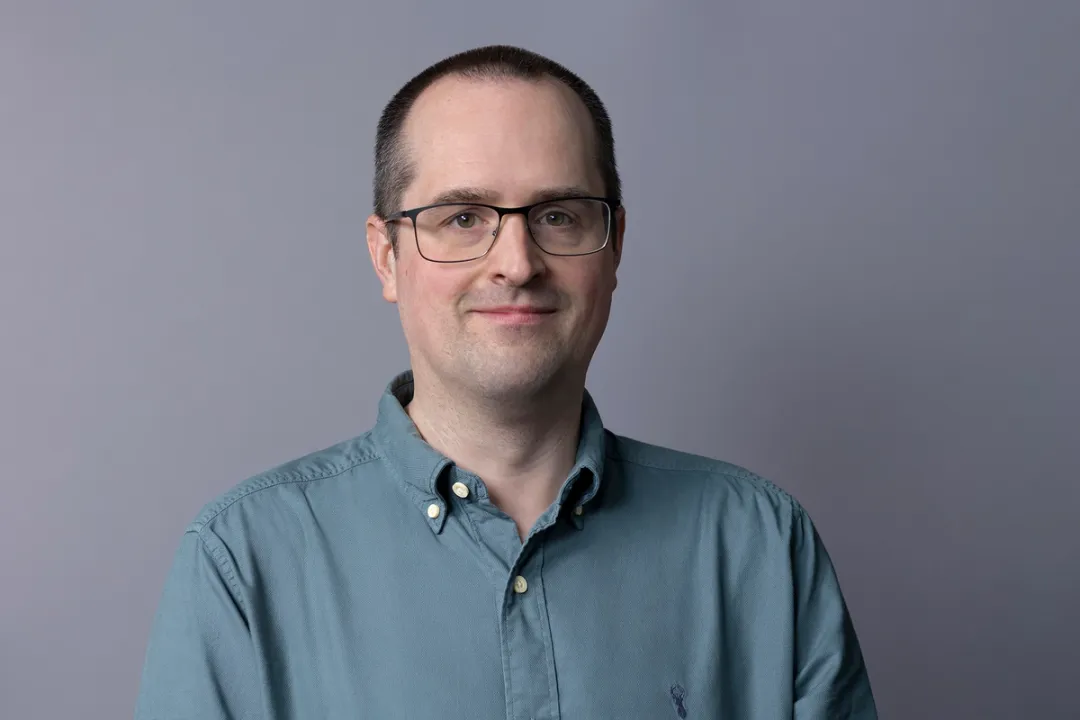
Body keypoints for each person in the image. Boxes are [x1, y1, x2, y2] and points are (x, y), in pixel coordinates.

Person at [135, 44, 877, 719]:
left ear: (615, 248)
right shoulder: (242, 563)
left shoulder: (760, 545)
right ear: (386, 257)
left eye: (557, 215)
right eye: (462, 217)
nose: (516, 263)